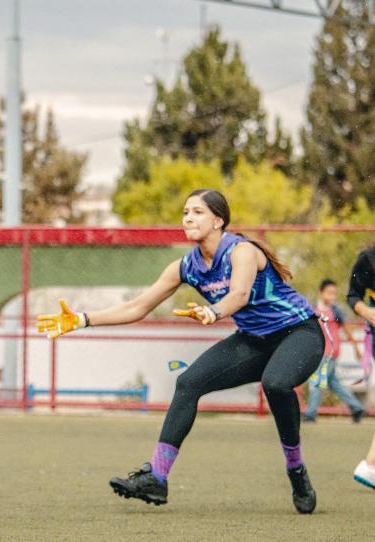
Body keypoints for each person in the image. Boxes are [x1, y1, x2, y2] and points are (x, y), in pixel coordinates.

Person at [37, 189, 324, 514]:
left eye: (198, 212)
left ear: (218, 221)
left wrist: (213, 311)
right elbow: (137, 307)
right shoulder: (185, 266)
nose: (188, 218)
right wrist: (83, 319)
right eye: (186, 212)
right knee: (188, 383)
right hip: (254, 340)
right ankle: (157, 478)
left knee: (275, 383)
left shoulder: (241, 251)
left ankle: (296, 469)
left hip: (299, 332)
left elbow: (239, 294)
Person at [303, 278, 365, 422]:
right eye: (329, 293)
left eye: (334, 293)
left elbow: (346, 329)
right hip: (317, 351)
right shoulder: (313, 309)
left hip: (330, 351)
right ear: (321, 293)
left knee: (317, 380)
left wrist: (356, 347)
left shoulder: (335, 310)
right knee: (333, 383)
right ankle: (356, 407)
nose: (332, 296)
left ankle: (310, 413)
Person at [348, 245, 375, 490]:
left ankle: (370, 465)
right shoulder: (368, 258)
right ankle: (370, 465)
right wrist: (366, 311)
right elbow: (353, 295)